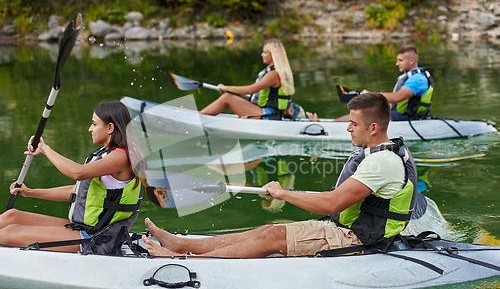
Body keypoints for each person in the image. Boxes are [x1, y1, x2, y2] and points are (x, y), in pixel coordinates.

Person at [141, 93, 418, 258]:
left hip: (359, 240)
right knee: (265, 230)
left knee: (270, 237)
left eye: (353, 124)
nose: (348, 129)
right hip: (347, 230)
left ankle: (185, 258)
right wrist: (284, 193)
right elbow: (336, 200)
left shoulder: (381, 162)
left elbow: (332, 204)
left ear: (372, 127)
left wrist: (284, 193)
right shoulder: (382, 154)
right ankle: (183, 243)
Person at [2, 101, 144, 255]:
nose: (90, 129)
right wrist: (30, 192)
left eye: (94, 124)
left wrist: (45, 149)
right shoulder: (107, 154)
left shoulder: (121, 157)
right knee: (12, 216)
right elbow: (77, 192)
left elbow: (78, 173)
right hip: (85, 230)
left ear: (110, 128)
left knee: (11, 233)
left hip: (96, 239)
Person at [307, 45, 434, 122]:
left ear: (412, 61)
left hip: (408, 118)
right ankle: (330, 124)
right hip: (400, 115)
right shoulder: (411, 77)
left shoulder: (418, 79)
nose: (397, 63)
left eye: (400, 60)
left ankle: (327, 127)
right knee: (365, 110)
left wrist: (371, 95)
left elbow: (397, 97)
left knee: (365, 112)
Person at [200, 39, 295, 120]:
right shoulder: (276, 72)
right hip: (267, 112)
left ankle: (198, 118)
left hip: (268, 115)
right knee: (228, 96)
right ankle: (200, 116)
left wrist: (226, 87)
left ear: (273, 55)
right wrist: (230, 90)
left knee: (227, 98)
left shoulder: (274, 74)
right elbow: (253, 93)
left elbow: (251, 89)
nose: (262, 55)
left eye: (265, 52)